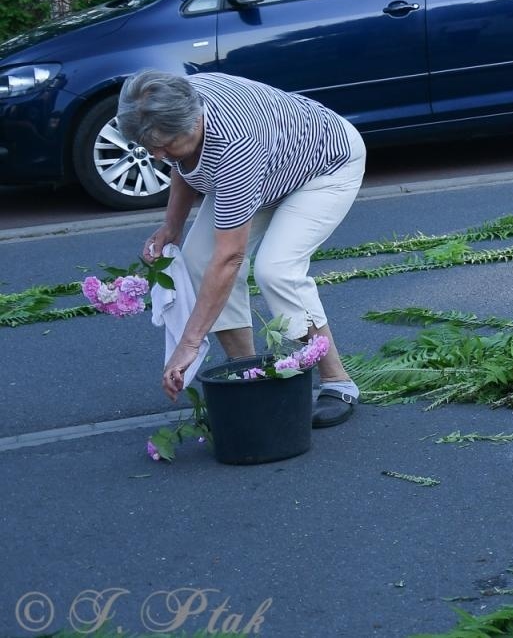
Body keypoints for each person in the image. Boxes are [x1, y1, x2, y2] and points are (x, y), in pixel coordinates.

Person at [120, 70, 366, 428]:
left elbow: (230, 257)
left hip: (323, 166)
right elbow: (183, 163)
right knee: (197, 261)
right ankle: (251, 376)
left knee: (276, 269)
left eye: (164, 145)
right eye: (149, 148)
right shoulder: (167, 104)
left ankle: (338, 381)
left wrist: (190, 344)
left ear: (192, 121)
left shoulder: (236, 145)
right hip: (270, 167)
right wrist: (171, 226)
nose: (158, 156)